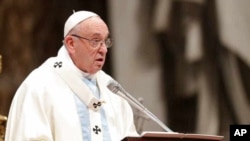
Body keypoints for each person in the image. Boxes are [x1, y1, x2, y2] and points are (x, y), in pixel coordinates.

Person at [5, 10, 139, 141]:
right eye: (95, 41)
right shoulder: (40, 86)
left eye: (105, 42)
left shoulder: (112, 91)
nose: (103, 49)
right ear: (71, 44)